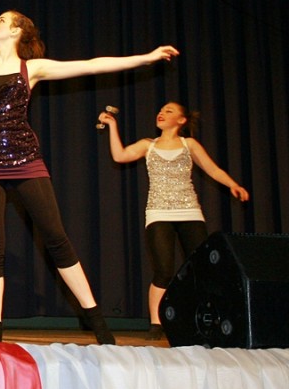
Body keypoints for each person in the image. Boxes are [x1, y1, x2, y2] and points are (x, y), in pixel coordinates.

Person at [0, 0, 179, 344]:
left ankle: (97, 322)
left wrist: (146, 58)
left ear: (16, 31)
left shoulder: (31, 69)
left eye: (0, 20)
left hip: (25, 161)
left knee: (57, 239)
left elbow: (92, 64)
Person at [98, 103, 248, 339]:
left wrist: (233, 185)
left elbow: (212, 169)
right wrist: (112, 126)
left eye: (169, 111)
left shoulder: (190, 145)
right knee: (163, 270)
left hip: (189, 212)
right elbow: (120, 155)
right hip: (158, 212)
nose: (161, 113)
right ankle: (156, 324)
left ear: (181, 120)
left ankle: (202, 319)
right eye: (160, 110)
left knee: (201, 269)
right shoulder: (148, 145)